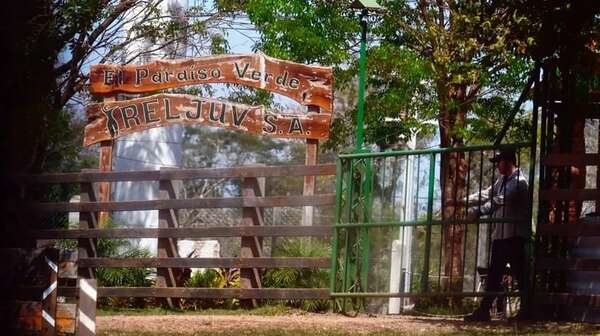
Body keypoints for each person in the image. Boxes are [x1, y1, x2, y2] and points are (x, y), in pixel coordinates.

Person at [462, 149, 531, 322]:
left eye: (499, 162)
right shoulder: (502, 180)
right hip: (501, 236)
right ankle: (484, 311)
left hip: (514, 236)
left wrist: (477, 212)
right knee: (494, 274)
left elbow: (499, 200)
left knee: (520, 275)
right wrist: (461, 201)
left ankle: (526, 311)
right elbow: (487, 194)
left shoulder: (519, 182)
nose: (497, 165)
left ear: (508, 162)